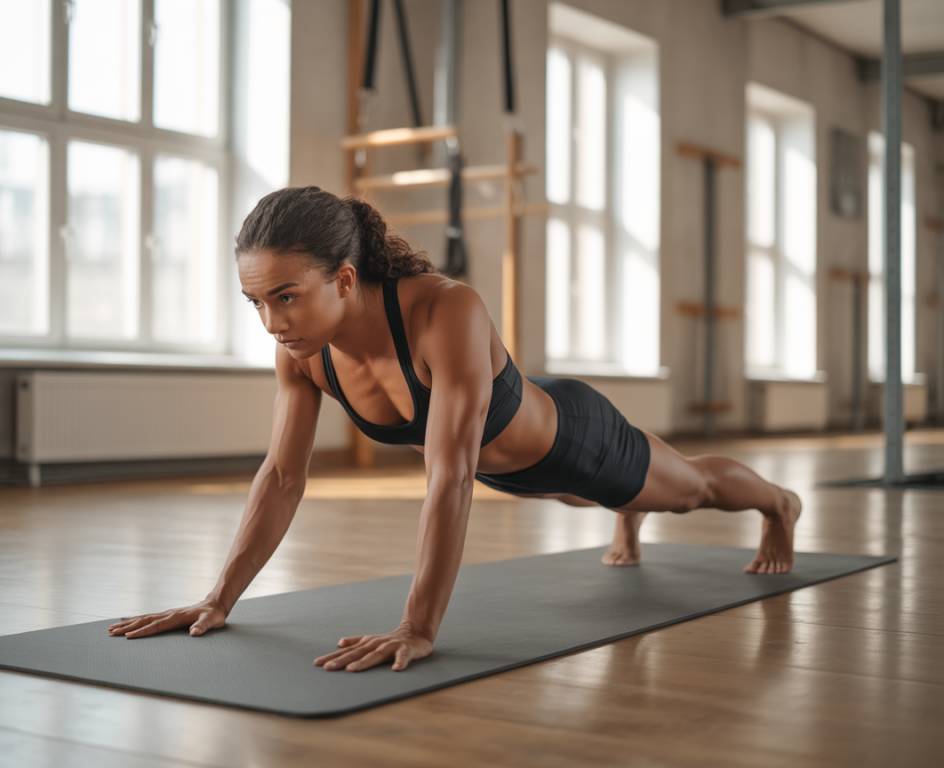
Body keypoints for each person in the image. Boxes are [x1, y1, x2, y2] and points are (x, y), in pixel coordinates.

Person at [106, 186, 802, 674]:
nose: (271, 322)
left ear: (345, 281)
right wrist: (217, 598)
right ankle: (624, 515)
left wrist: (418, 625)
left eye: (285, 297)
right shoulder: (303, 353)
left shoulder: (446, 311)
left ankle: (778, 505)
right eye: (256, 301)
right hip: (511, 465)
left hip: (574, 440)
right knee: (569, 497)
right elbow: (283, 476)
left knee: (686, 490)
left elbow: (449, 478)